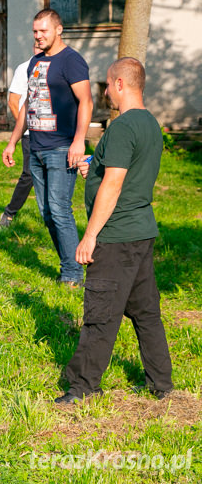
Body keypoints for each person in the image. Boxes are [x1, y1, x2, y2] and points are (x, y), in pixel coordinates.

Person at [54, 57, 172, 404]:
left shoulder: (122, 127)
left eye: (107, 85)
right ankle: (160, 382)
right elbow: (125, 170)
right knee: (146, 311)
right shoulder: (150, 123)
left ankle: (82, 386)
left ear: (120, 84)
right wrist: (96, 165)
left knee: (100, 314)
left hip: (117, 237)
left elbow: (115, 184)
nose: (105, 92)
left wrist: (89, 236)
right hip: (141, 232)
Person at [2, 9, 93, 286]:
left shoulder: (72, 61)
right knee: (47, 212)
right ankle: (68, 264)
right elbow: (27, 105)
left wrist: (79, 141)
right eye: (35, 32)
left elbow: (86, 102)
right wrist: (13, 140)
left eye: (43, 31)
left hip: (62, 147)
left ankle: (73, 274)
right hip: (37, 147)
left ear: (58, 30)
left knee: (60, 209)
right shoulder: (35, 63)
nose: (38, 36)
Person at [0, 44, 42, 228]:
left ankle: (54, 218)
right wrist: (24, 126)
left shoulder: (59, 67)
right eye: (36, 43)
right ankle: (9, 213)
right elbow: (13, 101)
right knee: (30, 174)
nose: (40, 46)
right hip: (29, 134)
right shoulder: (24, 69)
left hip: (53, 133)